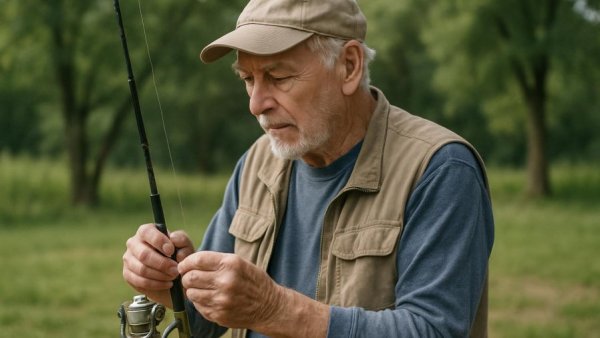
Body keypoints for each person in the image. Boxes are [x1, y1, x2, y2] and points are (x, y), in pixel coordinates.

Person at [122, 0, 494, 337]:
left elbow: (433, 331)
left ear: (349, 66)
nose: (256, 104)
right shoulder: (257, 161)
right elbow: (209, 320)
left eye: (278, 77)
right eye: (247, 80)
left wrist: (275, 309)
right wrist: (174, 283)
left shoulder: (440, 168)